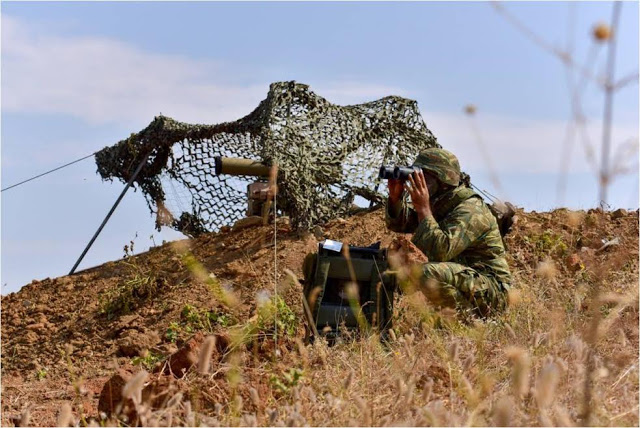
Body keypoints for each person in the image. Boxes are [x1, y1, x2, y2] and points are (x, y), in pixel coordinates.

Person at [386, 148, 511, 317]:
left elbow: (440, 252)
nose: (418, 180)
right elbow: (402, 224)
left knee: (426, 272)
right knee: (385, 264)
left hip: (490, 289)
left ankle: (466, 322)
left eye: (425, 176)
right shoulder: (442, 201)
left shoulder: (470, 209)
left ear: (443, 180)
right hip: (466, 281)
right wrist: (395, 199)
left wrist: (423, 208)